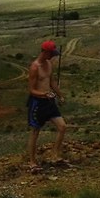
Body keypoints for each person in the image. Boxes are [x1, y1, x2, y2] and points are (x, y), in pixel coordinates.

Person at [26, 40, 66, 169]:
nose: (53, 56)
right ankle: (32, 161)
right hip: (38, 102)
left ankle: (55, 154)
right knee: (35, 131)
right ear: (45, 52)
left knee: (62, 126)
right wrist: (44, 94)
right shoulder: (34, 67)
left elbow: (52, 81)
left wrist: (60, 95)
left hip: (49, 101)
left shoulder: (49, 64)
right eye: (51, 53)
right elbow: (31, 90)